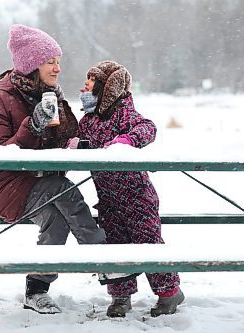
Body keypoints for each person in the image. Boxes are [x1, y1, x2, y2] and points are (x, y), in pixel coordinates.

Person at [0, 25, 129, 314]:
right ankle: (103, 258)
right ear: (31, 64)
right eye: (50, 62)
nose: (57, 69)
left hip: (41, 184)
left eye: (58, 62)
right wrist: (33, 125)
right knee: (60, 190)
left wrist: (78, 143)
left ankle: (36, 291)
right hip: (3, 186)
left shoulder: (51, 93)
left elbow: (61, 141)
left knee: (57, 215)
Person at [68, 60, 185, 318]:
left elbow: (148, 128)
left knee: (148, 243)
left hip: (136, 195)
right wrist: (76, 146)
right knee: (115, 246)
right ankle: (121, 296)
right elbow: (91, 146)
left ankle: (169, 292)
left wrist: (127, 141)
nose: (83, 87)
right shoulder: (88, 120)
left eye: (89, 83)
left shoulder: (124, 113)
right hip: (108, 198)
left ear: (105, 88)